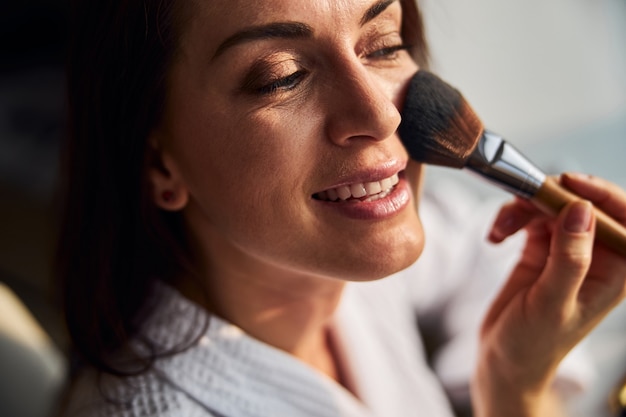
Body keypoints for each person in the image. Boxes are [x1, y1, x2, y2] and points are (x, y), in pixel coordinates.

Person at [56, 0, 626, 416]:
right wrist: (516, 399)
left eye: (382, 45)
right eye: (282, 77)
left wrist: (510, 374)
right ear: (159, 164)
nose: (381, 116)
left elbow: (479, 251)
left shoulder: (336, 264)